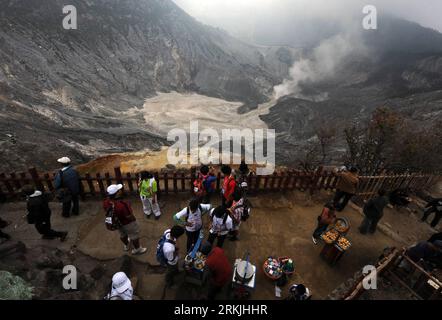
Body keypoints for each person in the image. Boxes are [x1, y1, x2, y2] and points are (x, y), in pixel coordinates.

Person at [103, 184, 147, 255]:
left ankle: (126, 245)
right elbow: (129, 216)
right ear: (116, 194)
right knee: (134, 235)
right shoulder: (122, 204)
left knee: (122, 234)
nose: (120, 191)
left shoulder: (106, 202)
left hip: (117, 223)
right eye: (118, 190)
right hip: (127, 223)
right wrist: (134, 219)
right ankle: (137, 249)